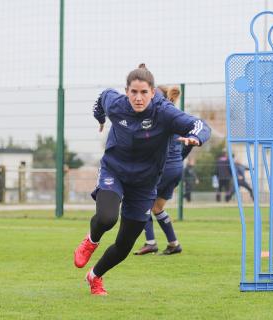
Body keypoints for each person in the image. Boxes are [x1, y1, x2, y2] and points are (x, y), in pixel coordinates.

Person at [73, 64, 211, 295]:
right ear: (126, 91)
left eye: (144, 92)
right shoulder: (115, 103)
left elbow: (199, 125)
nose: (138, 98)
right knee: (107, 218)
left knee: (124, 245)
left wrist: (196, 137)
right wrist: (100, 119)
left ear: (153, 91)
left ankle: (94, 276)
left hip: (145, 183)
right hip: (114, 171)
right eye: (133, 92)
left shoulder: (164, 112)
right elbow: (101, 99)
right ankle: (91, 240)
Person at [133, 85, 193, 256]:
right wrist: (180, 158)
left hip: (163, 168)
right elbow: (189, 139)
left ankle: (150, 242)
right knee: (157, 207)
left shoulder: (158, 117)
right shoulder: (174, 116)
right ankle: (174, 243)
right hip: (176, 168)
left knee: (140, 202)